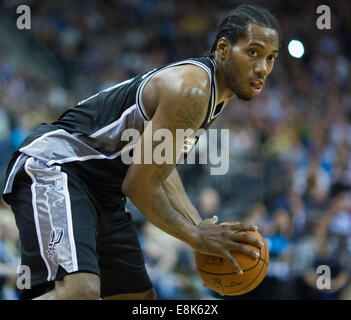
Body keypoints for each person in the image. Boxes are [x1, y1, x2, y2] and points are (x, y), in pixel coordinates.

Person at [2, 4, 280, 300]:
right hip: (57, 167)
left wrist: (198, 223)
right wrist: (195, 237)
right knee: (79, 291)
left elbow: (161, 166)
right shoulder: (193, 89)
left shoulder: (212, 95)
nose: (263, 67)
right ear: (224, 48)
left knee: (140, 299)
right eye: (253, 52)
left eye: (271, 58)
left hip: (99, 191)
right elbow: (139, 185)